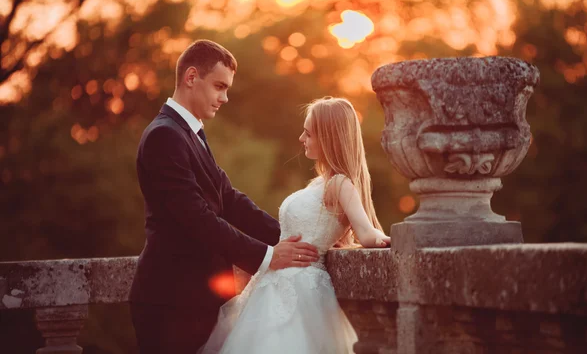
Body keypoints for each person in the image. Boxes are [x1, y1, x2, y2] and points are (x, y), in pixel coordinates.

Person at [129, 40, 320, 354]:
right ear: (191, 77)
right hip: (170, 302)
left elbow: (230, 200)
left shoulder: (190, 132)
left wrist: (295, 238)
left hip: (198, 301)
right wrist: (268, 257)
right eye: (219, 86)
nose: (225, 97)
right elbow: (197, 218)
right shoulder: (164, 135)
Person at [200, 96, 391, 354]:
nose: (302, 138)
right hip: (272, 288)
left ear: (329, 138)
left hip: (302, 291)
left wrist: (384, 239)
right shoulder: (319, 183)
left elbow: (365, 230)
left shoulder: (341, 184)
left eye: (308, 133)